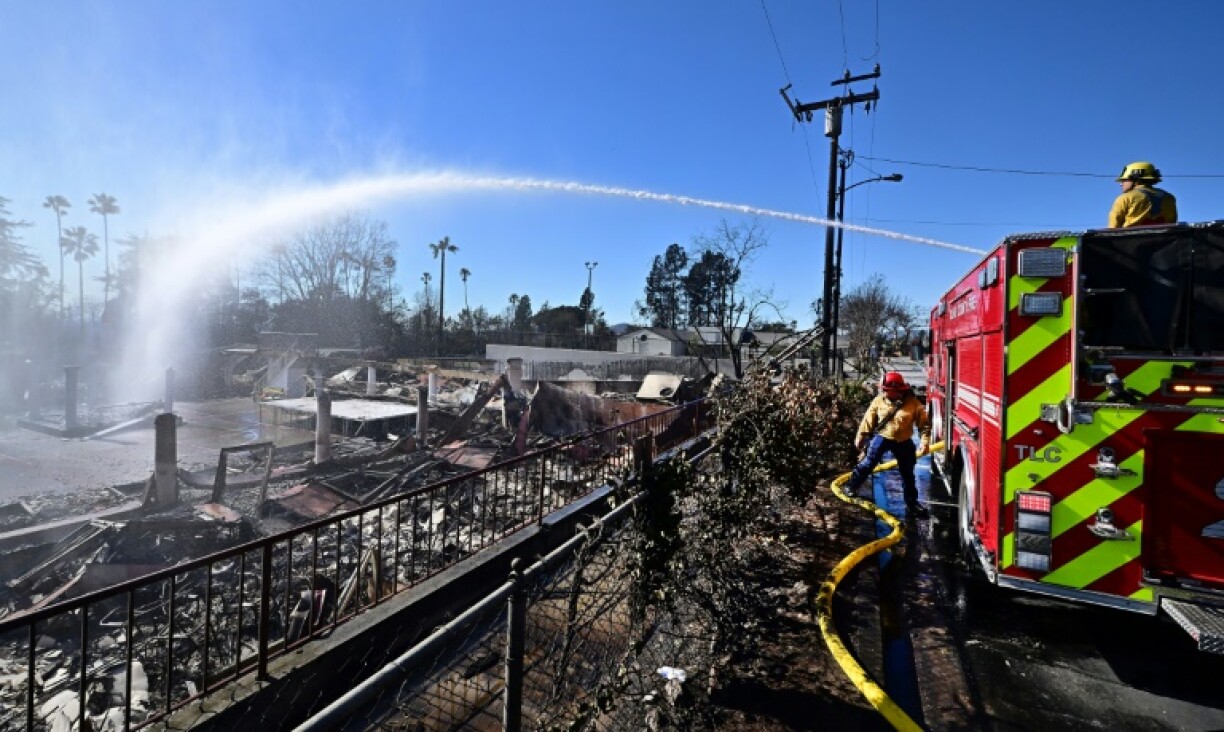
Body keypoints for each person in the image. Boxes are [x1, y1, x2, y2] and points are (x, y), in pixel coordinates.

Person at [847, 371, 932, 518]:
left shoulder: (913, 403)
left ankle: (912, 503)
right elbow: (868, 420)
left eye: (887, 390)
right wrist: (860, 436)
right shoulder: (879, 401)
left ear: (897, 390)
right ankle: (852, 486)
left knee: (907, 473)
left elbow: (924, 425)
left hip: (904, 442)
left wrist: (924, 443)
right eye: (884, 390)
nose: (884, 392)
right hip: (883, 438)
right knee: (868, 463)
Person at [1108, 161, 1178, 228]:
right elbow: (1173, 226)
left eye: (1124, 180)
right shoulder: (1169, 198)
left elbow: (1113, 229)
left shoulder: (1125, 198)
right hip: (1165, 240)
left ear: (1136, 179)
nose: (1121, 184)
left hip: (1130, 240)